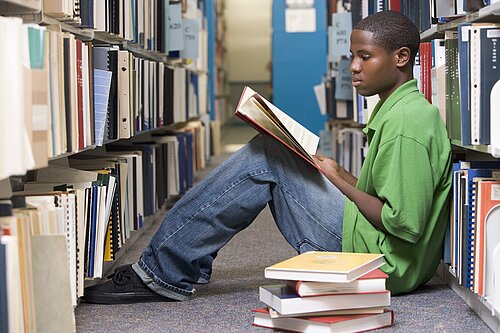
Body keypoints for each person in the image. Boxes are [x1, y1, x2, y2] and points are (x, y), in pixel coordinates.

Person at [83, 10, 452, 304]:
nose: (353, 66)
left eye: (365, 57)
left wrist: (339, 181)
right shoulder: (399, 109)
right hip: (373, 243)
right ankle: (172, 263)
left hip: (382, 262)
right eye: (352, 56)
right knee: (273, 149)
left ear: (402, 57)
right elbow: (392, 199)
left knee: (266, 155)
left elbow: (404, 224)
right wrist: (341, 173)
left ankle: (162, 271)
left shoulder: (407, 123)